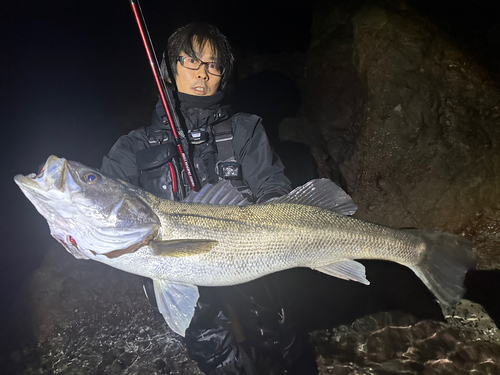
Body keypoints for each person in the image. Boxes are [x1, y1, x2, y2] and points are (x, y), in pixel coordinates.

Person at [101, 23, 317, 375]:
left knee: (279, 341)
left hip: (248, 263)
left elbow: (272, 186)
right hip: (179, 274)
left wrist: (275, 227)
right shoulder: (133, 146)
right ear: (168, 69)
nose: (202, 72)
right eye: (191, 60)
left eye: (214, 65)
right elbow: (106, 203)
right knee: (216, 356)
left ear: (223, 75)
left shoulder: (246, 129)